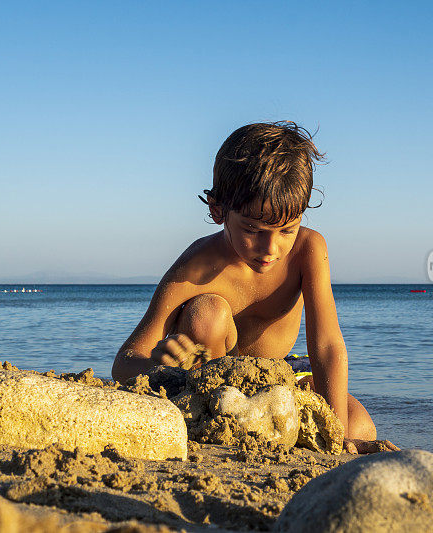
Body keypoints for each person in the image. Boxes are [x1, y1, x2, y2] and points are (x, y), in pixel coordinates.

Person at [112, 121, 397, 453]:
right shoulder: (196, 266)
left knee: (358, 424)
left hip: (278, 377)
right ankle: (215, 424)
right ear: (218, 210)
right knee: (208, 314)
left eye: (287, 229)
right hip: (212, 389)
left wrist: (339, 436)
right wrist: (160, 367)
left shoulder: (308, 249)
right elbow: (125, 361)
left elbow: (327, 346)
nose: (271, 248)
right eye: (253, 229)